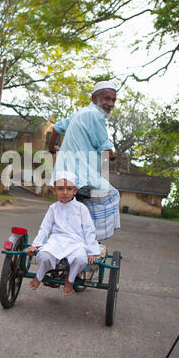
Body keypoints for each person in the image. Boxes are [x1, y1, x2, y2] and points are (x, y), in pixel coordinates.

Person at [48, 80, 120, 241]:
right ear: (95, 99)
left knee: (73, 211)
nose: (110, 103)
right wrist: (113, 155)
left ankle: (70, 237)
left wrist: (51, 148)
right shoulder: (96, 115)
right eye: (107, 99)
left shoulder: (80, 113)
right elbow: (106, 149)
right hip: (81, 177)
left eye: (113, 100)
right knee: (112, 195)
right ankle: (92, 240)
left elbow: (56, 128)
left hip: (62, 175)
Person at [26, 171, 100, 296]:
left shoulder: (81, 208)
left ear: (75, 191)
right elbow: (45, 228)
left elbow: (89, 230)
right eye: (60, 189)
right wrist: (36, 245)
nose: (65, 192)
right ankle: (39, 276)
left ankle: (69, 279)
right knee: (44, 256)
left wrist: (92, 251)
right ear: (54, 190)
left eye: (69, 189)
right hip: (56, 241)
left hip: (76, 243)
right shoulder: (53, 208)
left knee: (81, 259)